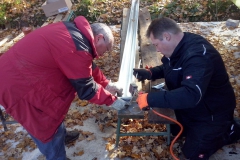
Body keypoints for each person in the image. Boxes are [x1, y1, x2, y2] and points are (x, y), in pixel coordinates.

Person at [0, 16, 126, 160]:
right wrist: (112, 101)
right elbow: (87, 90)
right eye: (107, 48)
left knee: (52, 112)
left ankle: (62, 135)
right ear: (99, 38)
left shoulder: (75, 33)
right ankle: (57, 155)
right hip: (17, 85)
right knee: (44, 121)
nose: (105, 54)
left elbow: (86, 66)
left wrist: (106, 84)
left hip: (21, 72)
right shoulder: (75, 47)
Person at [133, 17, 240, 160]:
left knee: (192, 154)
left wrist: (150, 98)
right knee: (176, 130)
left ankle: (229, 130)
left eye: (156, 45)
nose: (157, 49)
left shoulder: (198, 56)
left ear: (167, 37)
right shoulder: (180, 45)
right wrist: (151, 73)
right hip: (195, 107)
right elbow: (172, 66)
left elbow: (190, 95)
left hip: (212, 114)